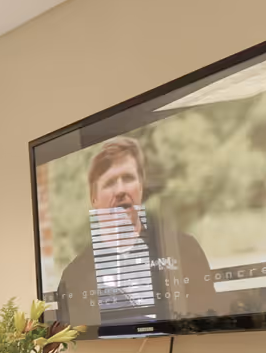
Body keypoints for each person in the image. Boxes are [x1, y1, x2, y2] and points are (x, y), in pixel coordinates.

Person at [50, 136, 217, 327]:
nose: (120, 190)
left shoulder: (185, 250)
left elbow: (208, 318)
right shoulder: (74, 277)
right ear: (94, 198)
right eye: (110, 182)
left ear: (140, 187)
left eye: (128, 178)